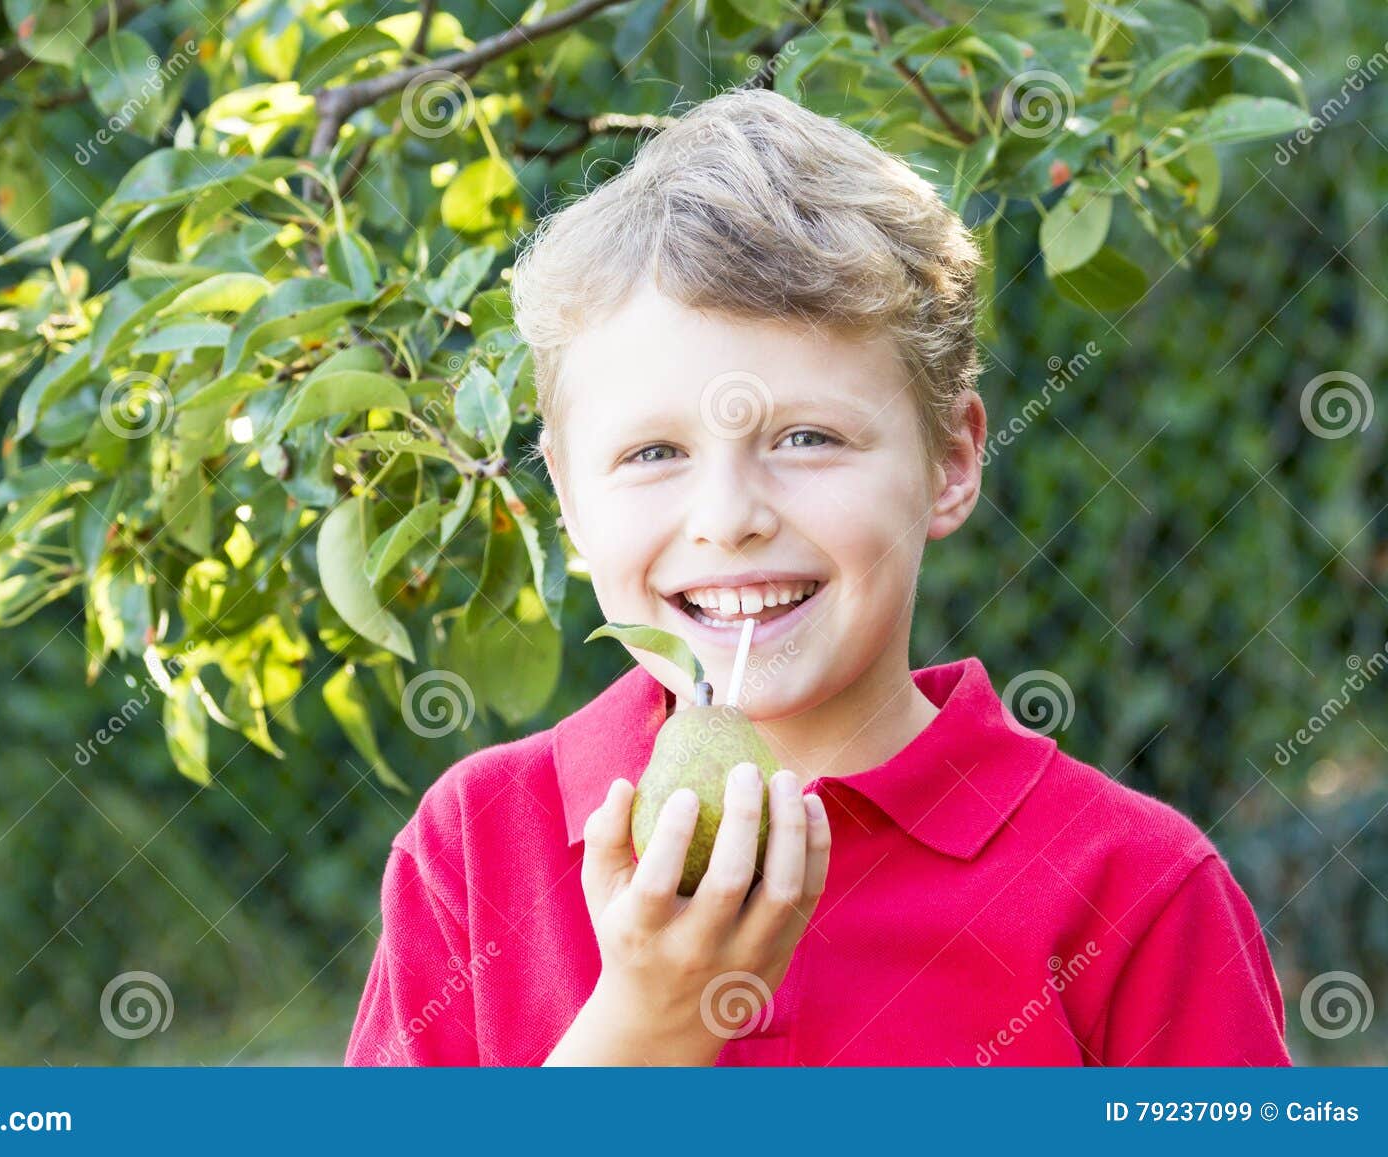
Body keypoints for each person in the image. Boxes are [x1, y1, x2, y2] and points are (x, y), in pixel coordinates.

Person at [343, 86, 1290, 1066]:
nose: (728, 517)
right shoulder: (475, 851)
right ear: (570, 498)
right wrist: (646, 1028)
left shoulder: (1134, 891)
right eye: (654, 452)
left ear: (951, 461)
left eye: (807, 437)